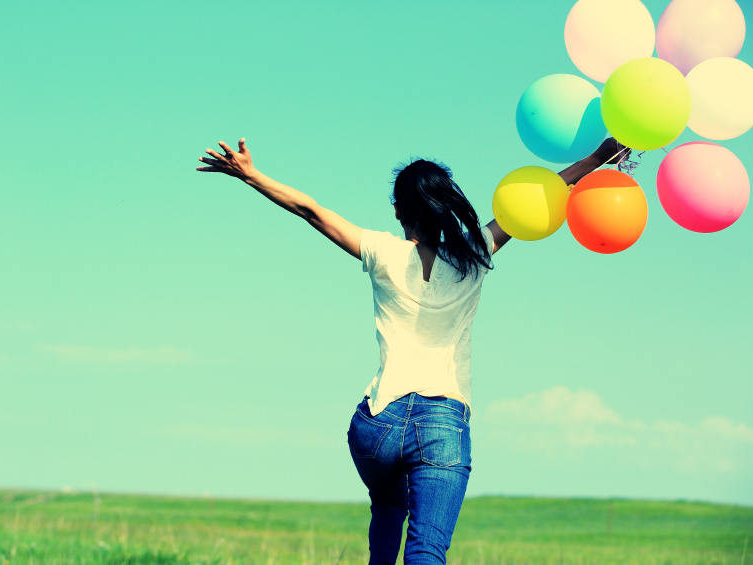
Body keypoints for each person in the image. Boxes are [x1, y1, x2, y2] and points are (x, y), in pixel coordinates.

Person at [197, 137, 627, 565]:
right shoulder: (474, 254)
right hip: (442, 425)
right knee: (426, 551)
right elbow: (541, 197)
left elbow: (309, 209)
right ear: (444, 206)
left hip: (377, 426)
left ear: (401, 209)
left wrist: (250, 175)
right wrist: (598, 157)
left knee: (387, 506)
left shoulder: (383, 251)